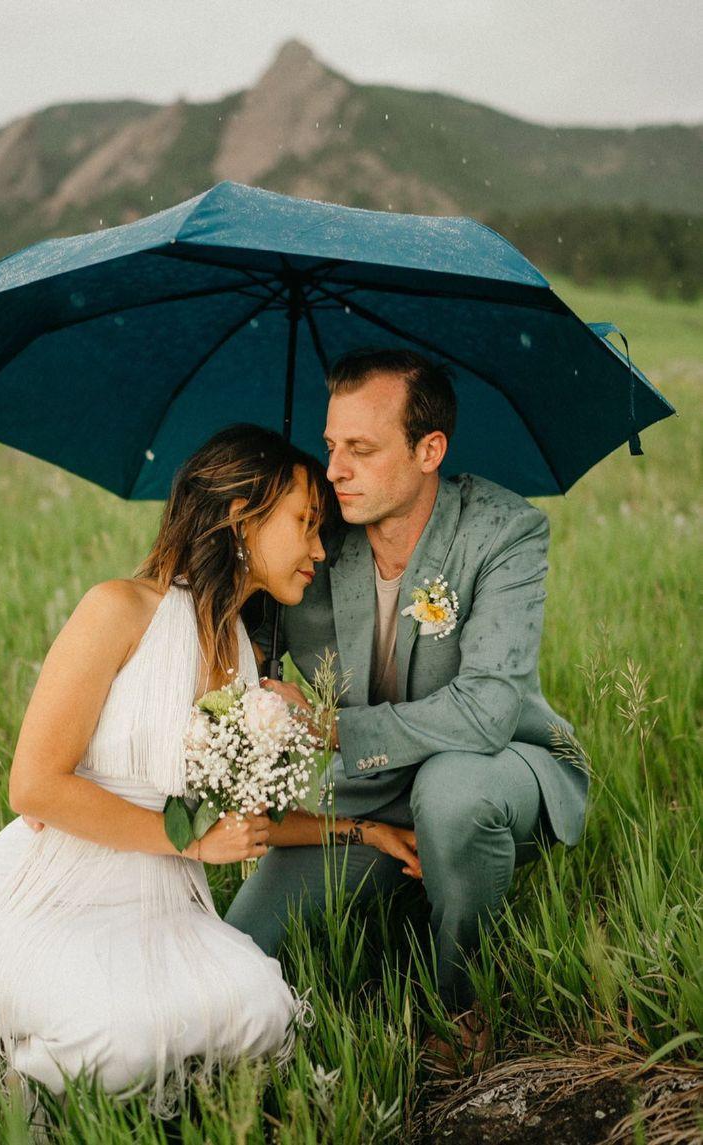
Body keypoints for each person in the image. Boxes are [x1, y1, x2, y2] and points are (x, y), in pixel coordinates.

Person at [0, 423, 420, 1113]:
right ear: (239, 516)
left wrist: (360, 831)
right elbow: (34, 784)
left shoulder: (244, 658)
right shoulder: (117, 609)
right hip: (54, 889)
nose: (319, 548)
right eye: (304, 523)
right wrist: (188, 841)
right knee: (125, 1039)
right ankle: (23, 1085)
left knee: (260, 1011)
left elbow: (243, 824)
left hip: (162, 899)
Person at [224, 348, 590, 1076]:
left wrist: (330, 728)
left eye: (360, 448)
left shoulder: (504, 531)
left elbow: (488, 710)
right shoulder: (314, 527)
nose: (334, 470)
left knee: (452, 796)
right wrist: (249, 574)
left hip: (494, 766)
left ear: (429, 450)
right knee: (238, 945)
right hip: (366, 785)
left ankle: (463, 1000)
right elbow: (244, 639)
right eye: (331, 446)